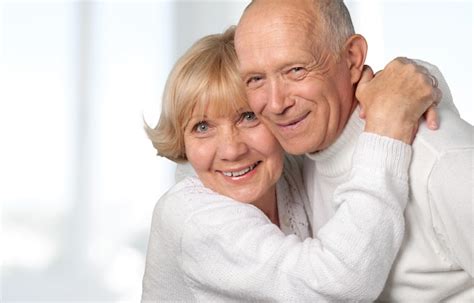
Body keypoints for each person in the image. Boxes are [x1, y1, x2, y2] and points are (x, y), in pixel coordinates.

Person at [141, 25, 439, 302]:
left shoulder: (289, 167)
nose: (231, 150)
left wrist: (393, 87)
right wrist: (387, 129)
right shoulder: (191, 219)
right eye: (202, 127)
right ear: (183, 140)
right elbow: (339, 284)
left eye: (248, 117)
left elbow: (403, 91)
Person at [234, 0, 473, 301]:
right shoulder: (295, 158)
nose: (276, 103)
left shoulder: (439, 161)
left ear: (352, 58)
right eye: (256, 79)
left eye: (295, 70)